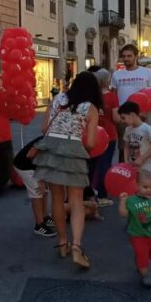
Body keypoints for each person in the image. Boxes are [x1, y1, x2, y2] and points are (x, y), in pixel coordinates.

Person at [32, 71, 101, 269]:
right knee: (76, 201)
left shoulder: (57, 99)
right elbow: (90, 142)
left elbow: (44, 129)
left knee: (57, 198)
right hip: (73, 148)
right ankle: (77, 247)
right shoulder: (91, 108)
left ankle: (63, 243)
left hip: (51, 149)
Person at [111, 44, 151, 161]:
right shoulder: (117, 74)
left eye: (129, 56)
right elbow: (114, 95)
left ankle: (141, 172)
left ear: (136, 56)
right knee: (123, 146)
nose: (126, 59)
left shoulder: (147, 72)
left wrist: (146, 111)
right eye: (124, 56)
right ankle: (123, 170)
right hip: (123, 116)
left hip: (141, 115)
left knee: (142, 146)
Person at [91, 68, 119, 205]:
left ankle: (92, 193)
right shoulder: (112, 97)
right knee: (105, 165)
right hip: (109, 134)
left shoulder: (92, 97)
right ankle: (102, 196)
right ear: (107, 80)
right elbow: (116, 118)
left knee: (93, 164)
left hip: (94, 133)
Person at [119, 101, 151, 174]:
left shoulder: (147, 129)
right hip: (133, 168)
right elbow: (126, 147)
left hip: (148, 169)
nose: (122, 121)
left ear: (132, 115)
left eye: (123, 118)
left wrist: (142, 158)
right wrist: (126, 162)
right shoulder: (128, 129)